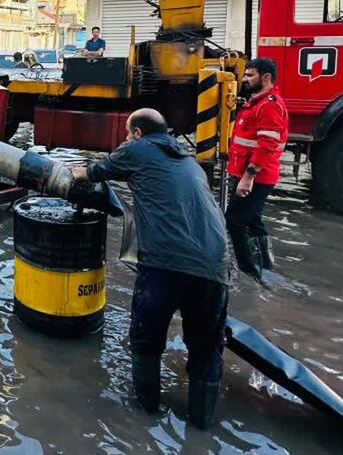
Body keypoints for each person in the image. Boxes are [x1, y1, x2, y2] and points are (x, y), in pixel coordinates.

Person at [71, 108, 230, 429]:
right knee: (206, 349)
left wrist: (78, 174)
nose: (126, 140)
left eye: (128, 134)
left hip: (165, 262)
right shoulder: (190, 163)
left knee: (146, 338)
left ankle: (145, 417)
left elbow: (96, 171)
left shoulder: (138, 148)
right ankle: (200, 429)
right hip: (216, 265)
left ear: (138, 133)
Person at [225, 57, 289, 279]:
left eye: (249, 75)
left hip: (256, 176)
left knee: (234, 222)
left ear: (266, 77)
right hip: (249, 173)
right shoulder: (256, 103)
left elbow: (267, 145)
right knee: (252, 219)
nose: (244, 79)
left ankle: (249, 271)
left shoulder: (269, 105)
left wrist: (248, 177)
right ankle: (265, 268)